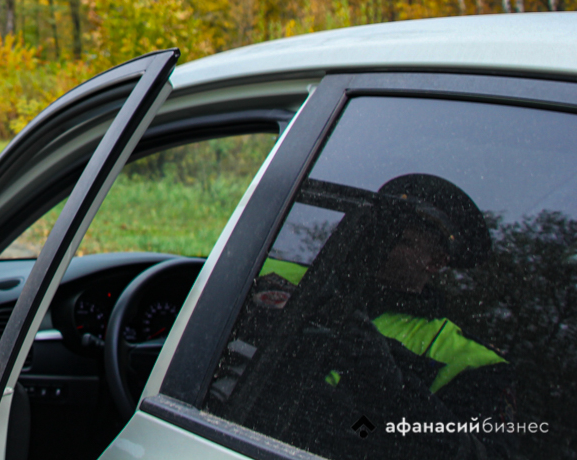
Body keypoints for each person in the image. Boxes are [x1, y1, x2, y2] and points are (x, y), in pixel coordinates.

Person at [215, 174, 514, 458]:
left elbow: (475, 453)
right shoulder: (272, 274)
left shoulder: (470, 360)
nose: (379, 243)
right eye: (377, 230)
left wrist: (388, 392)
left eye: (400, 239)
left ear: (435, 261)